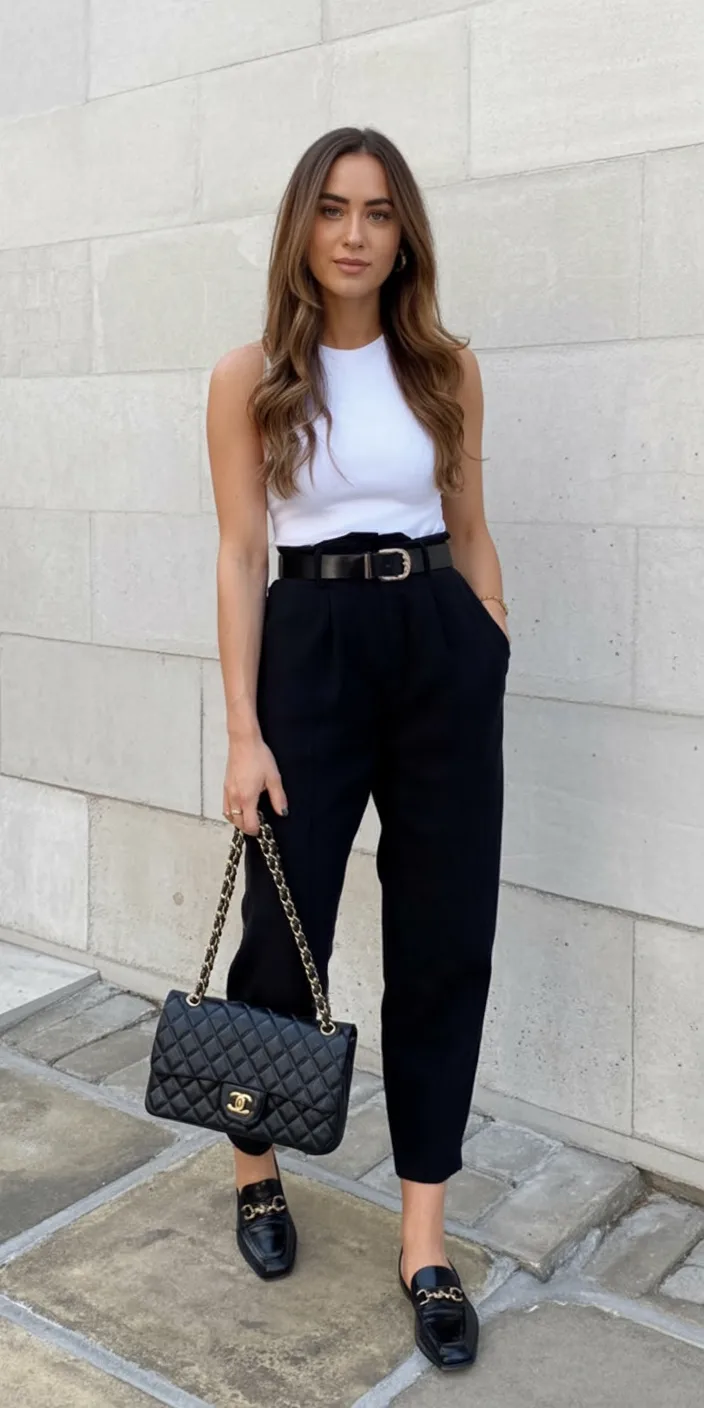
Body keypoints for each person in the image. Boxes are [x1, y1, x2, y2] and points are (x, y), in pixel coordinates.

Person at [206, 125, 511, 1373]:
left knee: (443, 939)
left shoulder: (443, 367)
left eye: (377, 212)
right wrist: (242, 727)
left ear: (402, 234)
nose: (352, 233)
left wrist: (488, 639)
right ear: (302, 226)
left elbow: (470, 523)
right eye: (332, 209)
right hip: (310, 648)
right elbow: (240, 552)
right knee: (285, 932)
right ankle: (255, 1160)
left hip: (438, 644)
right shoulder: (249, 376)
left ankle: (422, 1238)